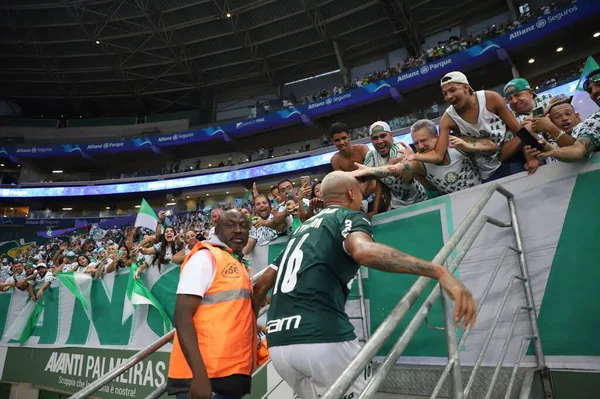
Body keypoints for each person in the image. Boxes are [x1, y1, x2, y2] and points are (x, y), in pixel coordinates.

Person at [252, 171, 476, 399]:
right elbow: (363, 251)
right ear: (351, 192)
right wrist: (437, 270)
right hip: (323, 337)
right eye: (359, 192)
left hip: (279, 345)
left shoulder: (301, 230)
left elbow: (260, 286)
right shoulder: (348, 216)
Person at [167, 209, 256, 399]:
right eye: (231, 225)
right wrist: (199, 376)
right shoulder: (204, 257)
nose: (239, 230)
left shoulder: (236, 262)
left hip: (228, 379)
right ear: (216, 229)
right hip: (206, 382)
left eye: (243, 225)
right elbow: (182, 316)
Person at [407, 71, 540, 180]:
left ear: (466, 87)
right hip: (488, 169)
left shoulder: (491, 98)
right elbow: (438, 155)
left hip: (512, 154)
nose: (448, 96)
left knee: (527, 129)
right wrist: (414, 156)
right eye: (445, 93)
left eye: (452, 90)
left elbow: (519, 131)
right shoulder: (447, 119)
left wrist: (531, 158)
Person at [355, 120, 483, 194]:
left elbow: (492, 146)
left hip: (484, 194)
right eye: (416, 143)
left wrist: (470, 147)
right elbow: (394, 168)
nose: (420, 146)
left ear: (436, 137)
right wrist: (367, 173)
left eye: (423, 141)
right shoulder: (417, 161)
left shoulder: (457, 144)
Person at [525, 68, 600, 162]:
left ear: (577, 115)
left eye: (599, 84)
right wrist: (553, 150)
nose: (594, 91)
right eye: (589, 90)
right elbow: (578, 150)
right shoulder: (595, 122)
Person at [363, 121, 427, 217]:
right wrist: (375, 210)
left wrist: (371, 171)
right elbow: (379, 180)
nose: (380, 141)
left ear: (391, 135)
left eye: (383, 136)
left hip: (420, 199)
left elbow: (391, 165)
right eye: (375, 138)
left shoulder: (400, 147)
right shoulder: (371, 155)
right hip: (397, 204)